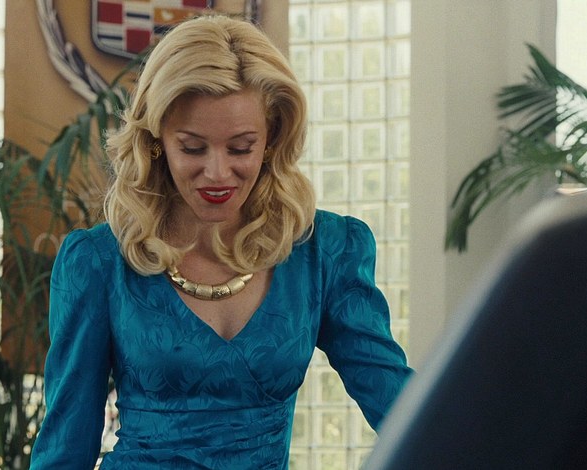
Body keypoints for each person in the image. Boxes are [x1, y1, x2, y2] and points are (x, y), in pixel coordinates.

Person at [30, 14, 412, 469]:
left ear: (272, 139)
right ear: (157, 140)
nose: (217, 173)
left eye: (241, 147)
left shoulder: (325, 251)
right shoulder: (98, 262)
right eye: (192, 147)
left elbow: (402, 408)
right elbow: (65, 448)